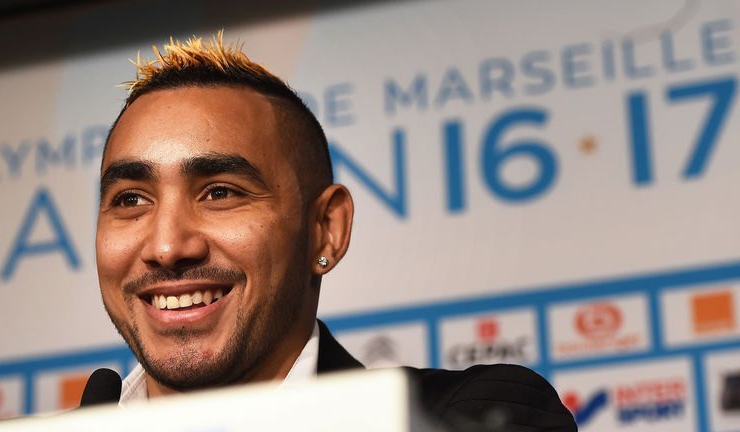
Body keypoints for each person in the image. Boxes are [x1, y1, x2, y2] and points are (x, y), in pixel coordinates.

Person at [95, 32, 577, 431]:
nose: (166, 246)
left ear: (326, 230)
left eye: (220, 192)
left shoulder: (471, 416)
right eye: (130, 200)